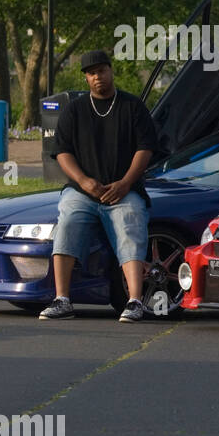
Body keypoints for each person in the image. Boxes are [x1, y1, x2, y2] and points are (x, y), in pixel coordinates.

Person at [41, 50, 158, 323]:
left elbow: (146, 148)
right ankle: (62, 300)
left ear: (111, 71)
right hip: (82, 191)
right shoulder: (75, 110)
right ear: (86, 78)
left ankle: (135, 301)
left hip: (124, 190)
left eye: (102, 71)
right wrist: (83, 181)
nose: (98, 77)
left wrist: (126, 182)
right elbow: (62, 152)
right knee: (67, 222)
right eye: (92, 73)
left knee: (130, 223)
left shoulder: (132, 106)